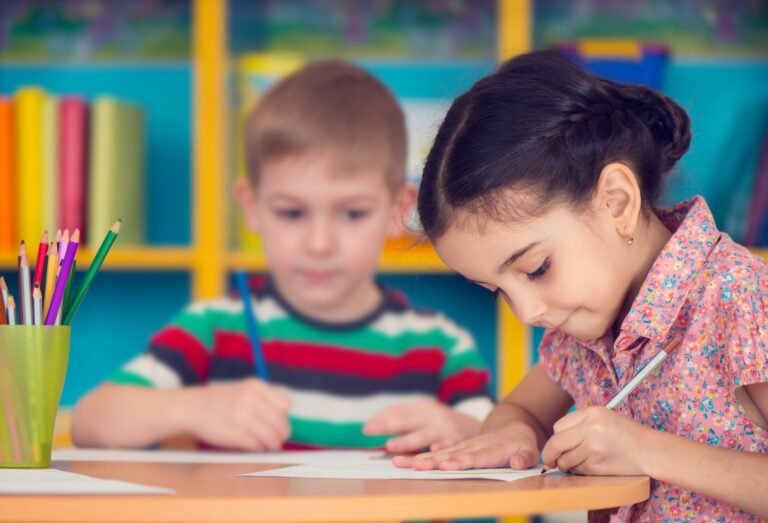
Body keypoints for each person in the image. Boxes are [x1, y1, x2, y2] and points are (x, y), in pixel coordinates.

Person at [395, 50, 768, 521]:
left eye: (535, 269)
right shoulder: (584, 330)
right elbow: (522, 412)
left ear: (616, 202)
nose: (527, 312)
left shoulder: (739, 296)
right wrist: (514, 434)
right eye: (498, 290)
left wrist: (651, 453)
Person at [71, 60, 493, 454]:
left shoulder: (440, 346)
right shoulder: (214, 329)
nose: (319, 243)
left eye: (352, 213)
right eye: (292, 212)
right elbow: (89, 423)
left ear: (399, 210)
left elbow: (499, 433)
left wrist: (464, 429)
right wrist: (193, 408)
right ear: (252, 206)